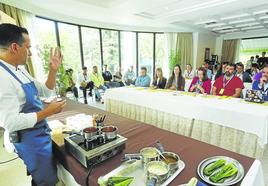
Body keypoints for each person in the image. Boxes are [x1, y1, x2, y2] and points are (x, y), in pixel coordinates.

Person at [0, 24, 66, 186]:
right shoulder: (2, 78)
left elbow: (46, 91)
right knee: (45, 181)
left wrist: (53, 70)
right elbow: (10, 123)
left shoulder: (19, 69)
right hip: (27, 139)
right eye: (27, 48)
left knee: (43, 176)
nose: (29, 53)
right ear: (15, 47)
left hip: (39, 132)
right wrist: (48, 112)